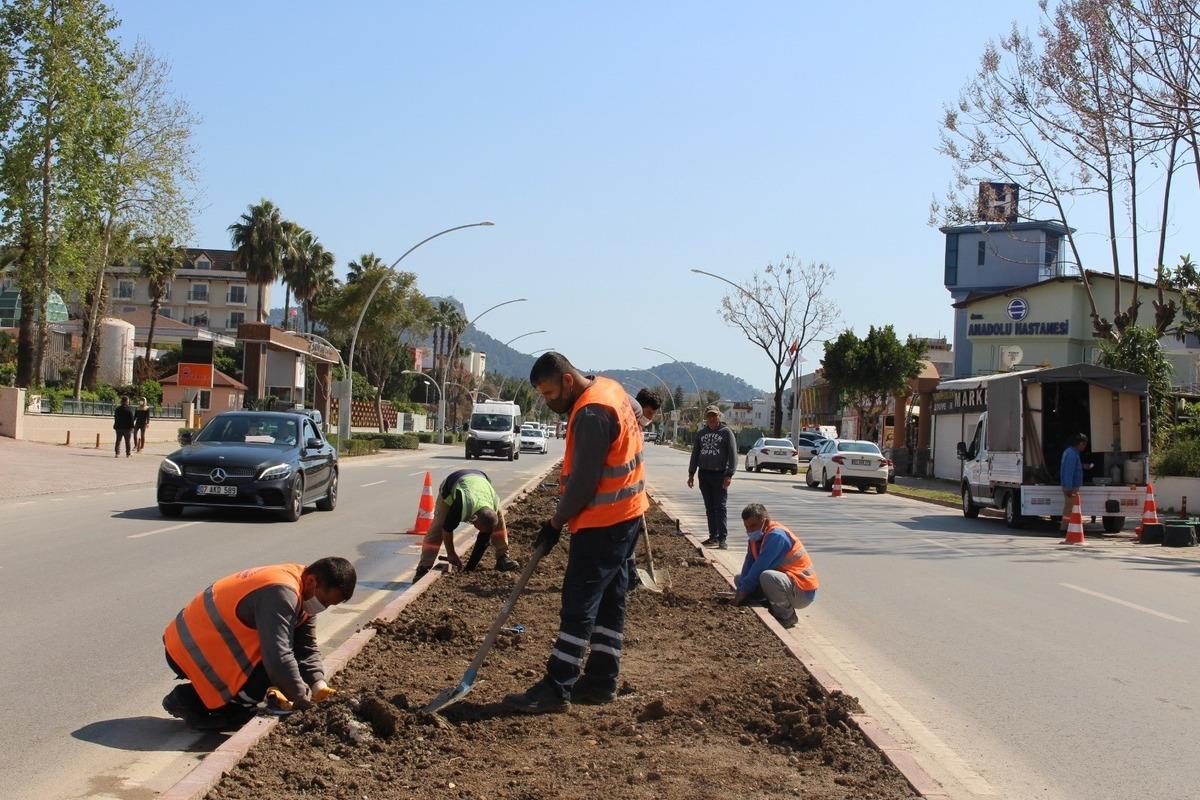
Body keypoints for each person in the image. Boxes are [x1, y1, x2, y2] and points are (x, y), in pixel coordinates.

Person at [503, 352, 648, 714]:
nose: (548, 402)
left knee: (578, 603)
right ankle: (601, 681)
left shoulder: (591, 413)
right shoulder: (609, 389)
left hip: (603, 522)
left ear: (568, 381)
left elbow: (584, 482)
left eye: (550, 394)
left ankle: (558, 685)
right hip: (628, 514)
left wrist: (555, 523)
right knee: (611, 599)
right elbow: (637, 413)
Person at [161, 556, 356, 731]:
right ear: (312, 581)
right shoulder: (281, 592)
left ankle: (222, 698)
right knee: (260, 684)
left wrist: (318, 685)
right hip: (188, 649)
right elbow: (278, 657)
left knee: (279, 671)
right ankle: (189, 699)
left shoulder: (303, 589)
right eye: (324, 601)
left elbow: (305, 648)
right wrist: (301, 701)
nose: (323, 607)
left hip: (206, 646)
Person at [413, 468, 521, 580]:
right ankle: (424, 566)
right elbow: (447, 529)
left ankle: (503, 557)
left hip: (482, 482)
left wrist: (469, 568)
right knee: (438, 527)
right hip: (452, 485)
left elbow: (482, 542)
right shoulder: (461, 504)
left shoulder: (493, 503)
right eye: (479, 529)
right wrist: (451, 553)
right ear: (474, 518)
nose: (479, 532)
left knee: (499, 524)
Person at [725, 503, 819, 629]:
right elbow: (749, 565)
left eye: (753, 526)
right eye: (746, 527)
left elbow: (759, 567)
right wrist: (740, 591)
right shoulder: (754, 539)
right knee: (739, 579)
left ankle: (787, 616)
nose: (749, 531)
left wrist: (740, 595)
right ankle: (770, 604)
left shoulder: (777, 536)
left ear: (765, 522)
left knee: (767, 576)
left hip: (802, 590)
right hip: (787, 583)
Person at [687, 405, 737, 549]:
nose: (712, 418)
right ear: (706, 418)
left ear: (719, 416)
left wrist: (729, 474)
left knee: (720, 507)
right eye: (709, 416)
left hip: (720, 474)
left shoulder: (726, 432)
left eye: (714, 415)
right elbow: (695, 454)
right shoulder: (701, 433)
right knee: (709, 507)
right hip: (704, 474)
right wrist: (691, 473)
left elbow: (733, 454)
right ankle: (713, 536)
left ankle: (722, 539)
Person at [1059, 433, 1092, 531]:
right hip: (1071, 487)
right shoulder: (1072, 454)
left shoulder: (1071, 452)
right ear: (1080, 443)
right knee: (1069, 508)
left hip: (1071, 486)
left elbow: (1072, 467)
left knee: (1070, 508)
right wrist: (1069, 488)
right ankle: (1065, 528)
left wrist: (1082, 466)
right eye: (1084, 444)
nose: (1084, 447)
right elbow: (1068, 472)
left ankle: (1067, 527)